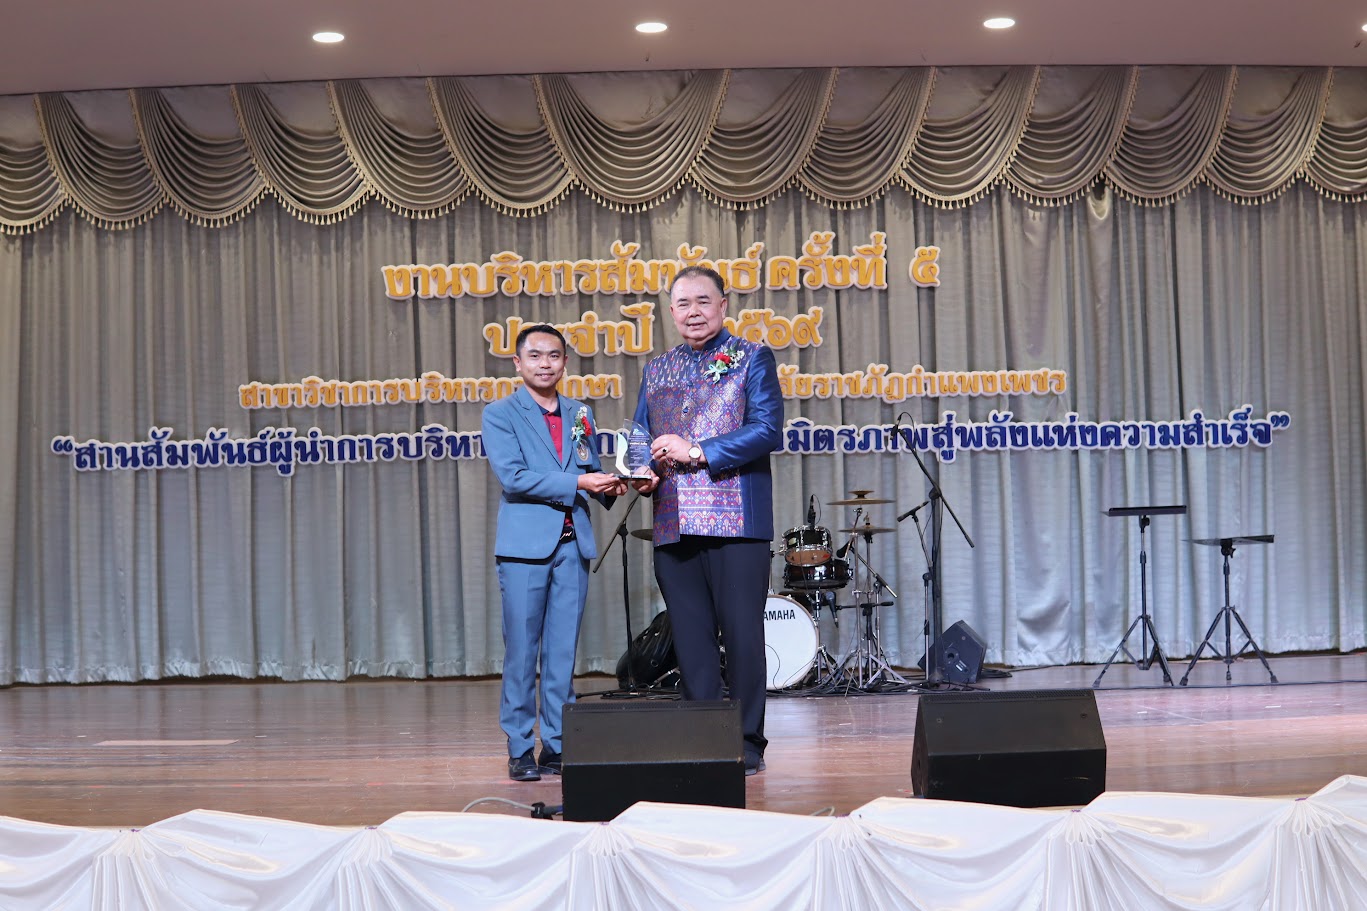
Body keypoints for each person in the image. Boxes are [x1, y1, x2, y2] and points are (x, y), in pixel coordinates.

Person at [631, 265, 784, 776]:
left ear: (723, 305)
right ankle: (704, 736)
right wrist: (641, 471)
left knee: (742, 637)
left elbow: (767, 430)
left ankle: (747, 741)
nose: (693, 312)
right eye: (683, 303)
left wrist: (696, 450)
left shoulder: (752, 357)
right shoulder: (656, 369)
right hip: (673, 522)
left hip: (736, 521)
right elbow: (640, 436)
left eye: (703, 301)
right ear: (671, 311)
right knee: (691, 639)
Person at [482, 324, 625, 781]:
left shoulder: (581, 413)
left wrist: (612, 485)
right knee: (522, 653)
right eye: (536, 355)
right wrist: (581, 482)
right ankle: (520, 746)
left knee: (563, 653)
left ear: (565, 362)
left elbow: (589, 468)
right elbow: (514, 477)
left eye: (554, 356)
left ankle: (557, 744)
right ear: (517, 363)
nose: (545, 364)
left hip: (572, 545)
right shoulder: (500, 413)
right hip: (524, 549)